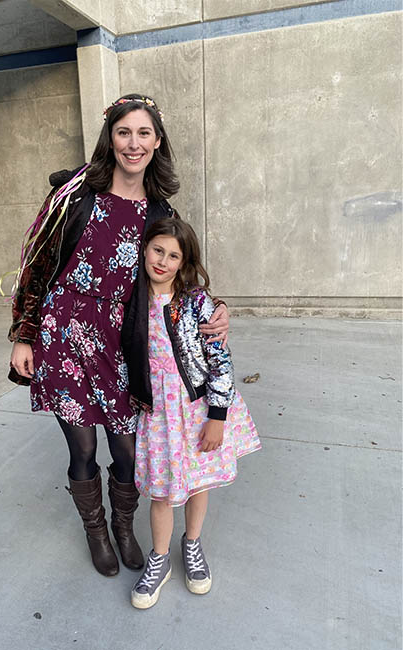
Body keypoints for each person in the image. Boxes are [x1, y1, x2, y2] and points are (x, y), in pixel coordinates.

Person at [8, 94, 230, 577]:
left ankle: (125, 528)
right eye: (124, 132)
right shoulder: (74, 193)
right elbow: (38, 263)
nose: (133, 143)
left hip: (124, 341)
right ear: (110, 138)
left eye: (144, 133)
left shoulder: (159, 210)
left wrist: (217, 308)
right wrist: (25, 334)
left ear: (157, 141)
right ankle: (97, 533)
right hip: (64, 333)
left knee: (127, 448)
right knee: (83, 448)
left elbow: (178, 270)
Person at [129, 218, 261, 609]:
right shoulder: (130, 298)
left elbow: (219, 360)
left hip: (195, 408)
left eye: (173, 256)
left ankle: (191, 543)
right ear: (144, 248)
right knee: (162, 489)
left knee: (197, 483)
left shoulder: (195, 302)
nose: (163, 261)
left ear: (184, 262)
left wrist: (217, 416)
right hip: (157, 414)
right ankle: (159, 558)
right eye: (157, 250)